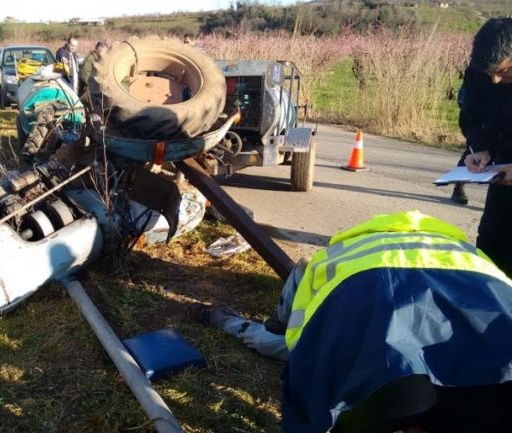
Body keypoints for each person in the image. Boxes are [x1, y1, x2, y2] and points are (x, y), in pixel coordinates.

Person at [196, 211, 512, 433]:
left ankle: (223, 319)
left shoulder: (340, 253)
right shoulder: (469, 255)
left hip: (383, 371)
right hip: (490, 380)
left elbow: (290, 336)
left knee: (273, 343)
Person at [460, 17, 512, 276]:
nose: (494, 80)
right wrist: (479, 148)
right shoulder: (478, 72)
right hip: (502, 181)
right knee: (489, 253)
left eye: (504, 72)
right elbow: (473, 115)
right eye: (489, 73)